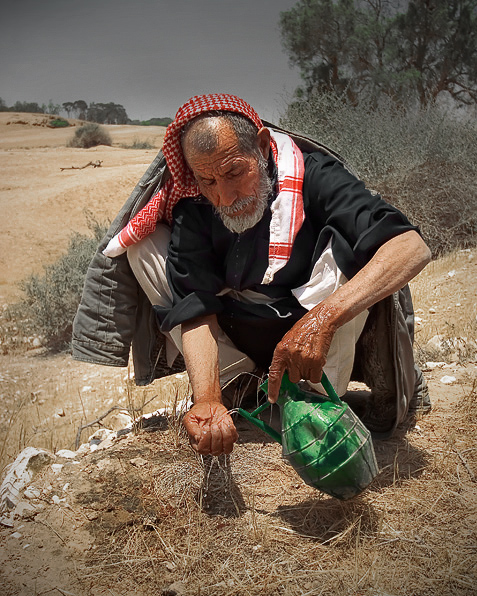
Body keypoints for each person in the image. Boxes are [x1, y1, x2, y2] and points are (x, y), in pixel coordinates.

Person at [73, 93, 431, 457]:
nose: (224, 196)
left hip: (314, 342)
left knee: (346, 253)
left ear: (261, 146)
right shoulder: (194, 204)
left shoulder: (316, 175)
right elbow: (196, 308)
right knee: (143, 246)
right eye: (208, 180)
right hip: (241, 332)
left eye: (233, 173)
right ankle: (238, 389)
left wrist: (323, 319)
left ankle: (316, 402)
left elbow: (410, 247)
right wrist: (207, 399)